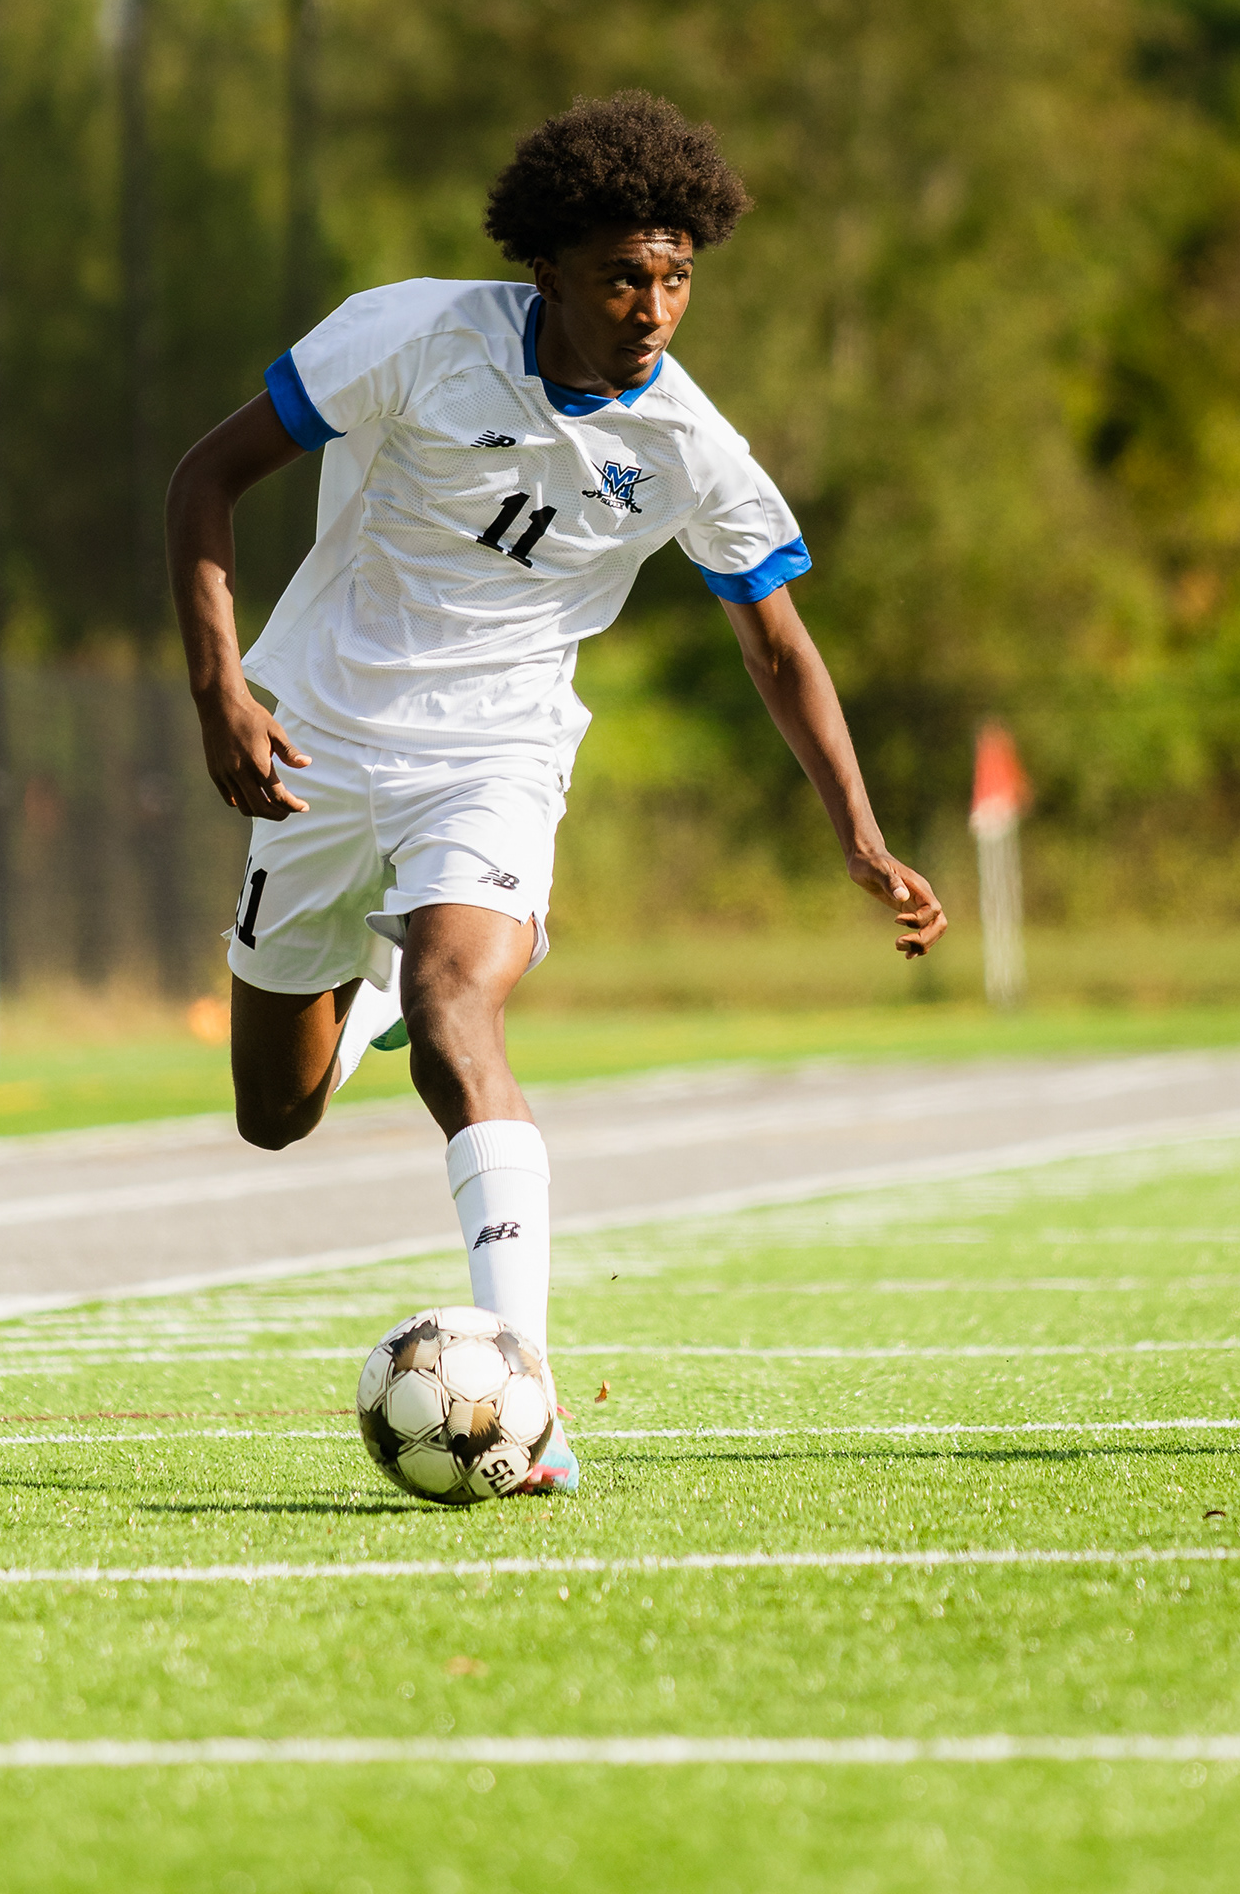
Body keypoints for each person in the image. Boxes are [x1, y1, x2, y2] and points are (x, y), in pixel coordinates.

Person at [166, 89, 946, 1492]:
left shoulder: (693, 449)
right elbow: (203, 481)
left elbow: (778, 646)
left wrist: (862, 835)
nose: (653, 309)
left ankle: (525, 1401)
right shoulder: (410, 336)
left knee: (461, 1009)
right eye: (621, 277)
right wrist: (223, 691)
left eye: (676, 277)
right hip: (322, 743)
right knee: (274, 1115)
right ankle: (371, 988)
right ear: (548, 270)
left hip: (498, 752)